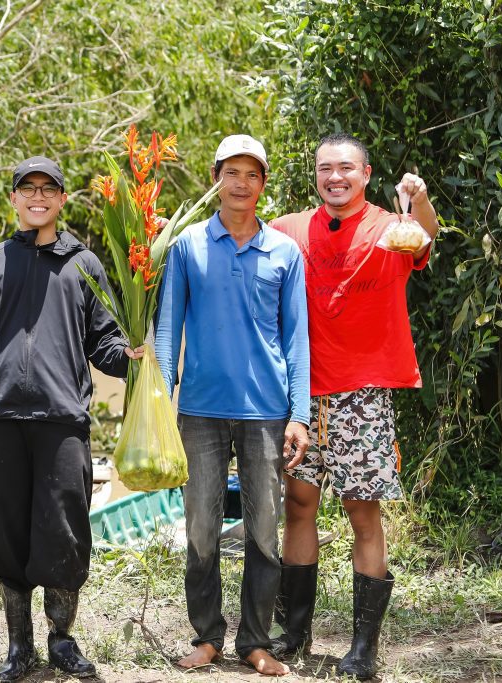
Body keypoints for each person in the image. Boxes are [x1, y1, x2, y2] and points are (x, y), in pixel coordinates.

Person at [0, 156, 144, 681]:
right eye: (26, 189)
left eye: (48, 189)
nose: (37, 197)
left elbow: (105, 343)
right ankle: (18, 646)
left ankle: (62, 640)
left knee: (64, 534)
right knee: (6, 535)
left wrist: (134, 354)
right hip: (0, 415)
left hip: (62, 419)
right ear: (13, 199)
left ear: (62, 200)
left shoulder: (84, 264)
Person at [269, 132, 439, 680]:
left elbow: (425, 238)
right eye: (325, 169)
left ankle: (362, 647)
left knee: (362, 511)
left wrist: (420, 199)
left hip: (362, 393)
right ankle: (293, 633)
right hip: (299, 393)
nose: (334, 177)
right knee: (298, 506)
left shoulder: (392, 227)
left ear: (365, 174)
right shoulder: (291, 229)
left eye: (346, 168)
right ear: (314, 175)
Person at [154, 135, 310, 676]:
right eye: (232, 172)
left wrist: (300, 414)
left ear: (263, 184)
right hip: (199, 409)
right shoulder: (188, 247)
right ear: (216, 177)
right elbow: (168, 327)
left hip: (266, 411)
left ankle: (254, 641)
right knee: (201, 524)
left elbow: (297, 340)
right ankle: (206, 637)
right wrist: (157, 401)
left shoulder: (285, 253)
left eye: (252, 174)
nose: (241, 184)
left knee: (265, 528)